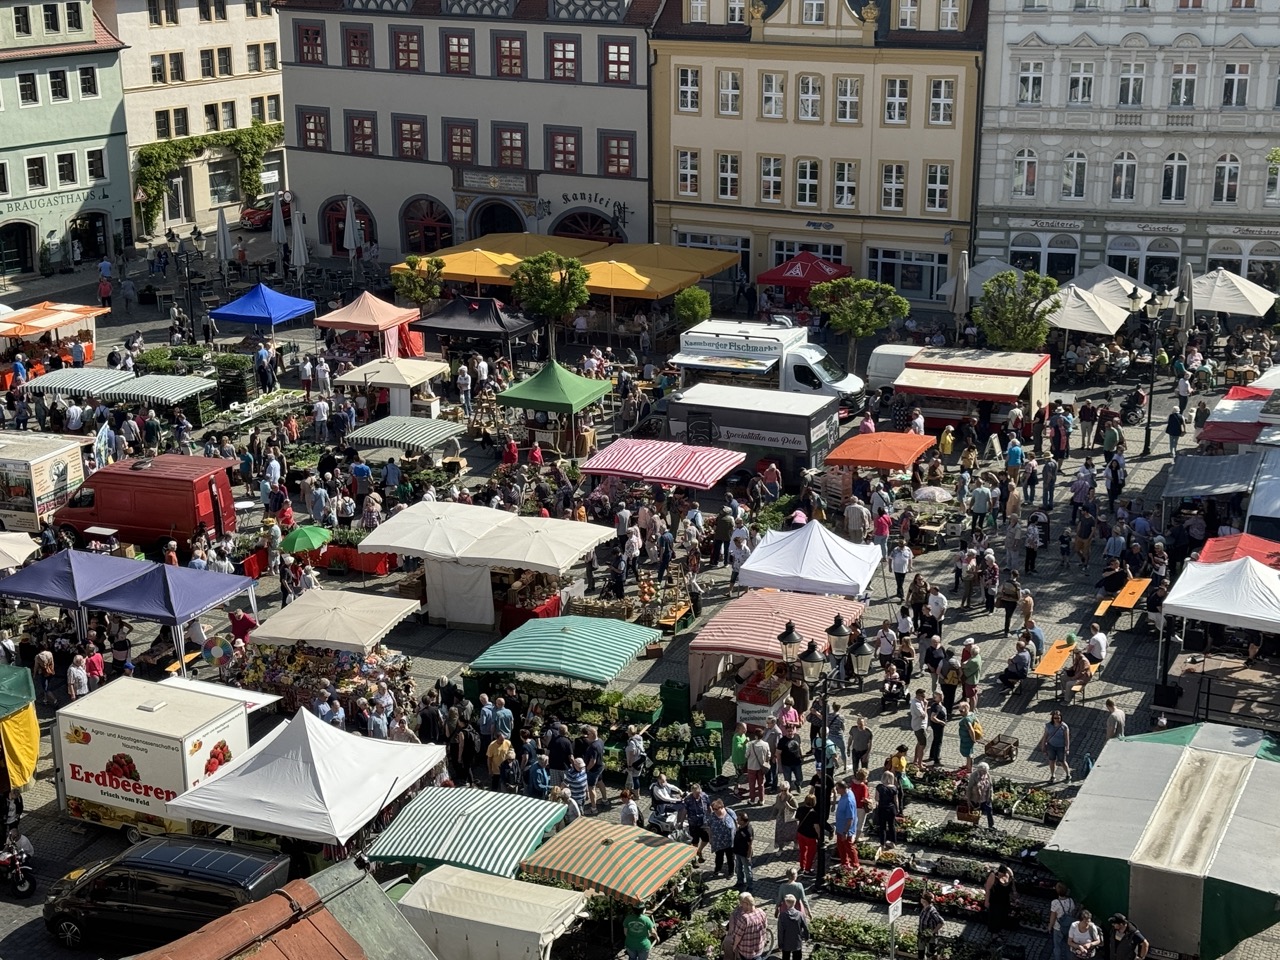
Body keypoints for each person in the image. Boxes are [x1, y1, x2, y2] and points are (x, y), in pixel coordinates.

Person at [727, 893, 769, 960]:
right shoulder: (761, 912)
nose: (741, 905)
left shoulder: (744, 918)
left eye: (742, 903)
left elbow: (738, 936)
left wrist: (734, 946)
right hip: (758, 948)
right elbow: (765, 927)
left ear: (746, 904)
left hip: (746, 950)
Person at [1039, 711, 1071, 783]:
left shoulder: (1064, 727)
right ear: (1052, 718)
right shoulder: (1048, 725)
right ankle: (1053, 776)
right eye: (1055, 718)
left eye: (1058, 718)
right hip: (1051, 746)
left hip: (1061, 747)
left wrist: (1067, 748)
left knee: (1062, 761)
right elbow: (1045, 736)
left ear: (1061, 718)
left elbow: (1067, 738)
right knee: (1051, 760)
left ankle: (1068, 774)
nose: (1056, 719)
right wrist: (1043, 746)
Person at [1048, 883, 1077, 960]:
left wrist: (1050, 926)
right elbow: (1073, 913)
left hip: (1058, 927)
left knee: (1057, 946)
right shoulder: (1071, 901)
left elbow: (1053, 917)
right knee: (1069, 945)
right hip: (1069, 927)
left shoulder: (1055, 903)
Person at [834, 780, 859, 868]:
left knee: (849, 847)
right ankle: (844, 863)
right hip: (840, 828)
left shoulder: (848, 801)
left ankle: (856, 865)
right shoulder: (846, 793)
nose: (836, 791)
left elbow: (850, 819)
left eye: (837, 789)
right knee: (841, 847)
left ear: (843, 789)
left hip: (845, 829)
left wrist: (845, 832)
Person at [984, 864, 1016, 934]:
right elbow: (988, 888)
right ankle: (994, 933)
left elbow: (1012, 883)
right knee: (995, 916)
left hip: (1005, 898)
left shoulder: (1009, 872)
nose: (1001, 876)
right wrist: (986, 901)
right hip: (995, 899)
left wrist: (1014, 894)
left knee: (1004, 914)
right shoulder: (993, 876)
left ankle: (1000, 929)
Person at [776, 894, 810, 960]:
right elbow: (805, 927)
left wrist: (780, 944)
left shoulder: (782, 916)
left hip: (786, 942)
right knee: (797, 957)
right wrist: (807, 936)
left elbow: (780, 931)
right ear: (795, 902)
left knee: (785, 957)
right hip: (797, 941)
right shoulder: (800, 914)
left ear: (786, 903)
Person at [708, 798, 737, 876]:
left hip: (729, 840)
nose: (715, 811)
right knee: (719, 857)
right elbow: (710, 827)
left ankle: (731, 872)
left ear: (722, 807)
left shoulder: (729, 812)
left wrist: (737, 835)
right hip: (718, 841)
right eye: (714, 809)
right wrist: (710, 838)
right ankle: (717, 870)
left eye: (717, 809)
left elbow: (736, 823)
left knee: (730, 857)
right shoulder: (712, 816)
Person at [875, 771, 901, 848]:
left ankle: (882, 844)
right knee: (891, 826)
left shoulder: (879, 787)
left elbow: (877, 798)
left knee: (882, 826)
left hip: (882, 808)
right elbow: (896, 800)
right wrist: (898, 809)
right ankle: (893, 842)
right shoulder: (894, 788)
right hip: (891, 808)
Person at [918, 890, 946, 960]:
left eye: (922, 897)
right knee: (920, 952)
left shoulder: (932, 911)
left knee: (930, 954)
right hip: (922, 935)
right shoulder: (924, 907)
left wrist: (932, 932)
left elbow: (941, 922)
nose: (920, 898)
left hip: (930, 938)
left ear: (925, 900)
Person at [732, 810, 755, 892]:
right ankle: (740, 882)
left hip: (744, 854)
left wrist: (748, 856)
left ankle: (750, 885)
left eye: (738, 819)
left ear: (742, 821)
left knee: (747, 870)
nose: (737, 820)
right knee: (738, 868)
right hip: (738, 851)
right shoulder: (741, 827)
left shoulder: (748, 831)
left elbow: (750, 845)